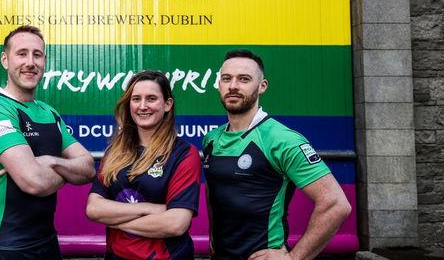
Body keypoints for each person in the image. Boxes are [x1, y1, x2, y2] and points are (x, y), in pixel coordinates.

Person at [202, 49, 351, 260]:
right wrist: (211, 237)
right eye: (226, 79)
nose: (233, 86)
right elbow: (214, 188)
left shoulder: (283, 140)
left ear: (262, 86)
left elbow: (336, 204)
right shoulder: (211, 139)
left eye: (244, 79)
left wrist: (294, 258)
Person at [0, 25, 95, 260]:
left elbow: (88, 168)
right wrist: (66, 171)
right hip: (6, 247)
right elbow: (34, 182)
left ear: (44, 61)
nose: (30, 62)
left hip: (48, 242)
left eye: (37, 54)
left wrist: (46, 161)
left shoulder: (50, 113)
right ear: (5, 60)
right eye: (22, 54)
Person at [86, 70, 201, 260]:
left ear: (167, 104)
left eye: (152, 98)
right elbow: (94, 209)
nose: (143, 106)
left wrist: (113, 219)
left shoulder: (184, 154)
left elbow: (175, 224)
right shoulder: (115, 152)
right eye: (136, 99)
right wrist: (150, 208)